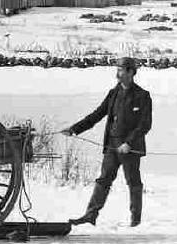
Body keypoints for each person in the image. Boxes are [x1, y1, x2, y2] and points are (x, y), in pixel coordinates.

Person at [61, 57, 152, 227]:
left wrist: (129, 143)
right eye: (117, 70)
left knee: (133, 183)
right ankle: (90, 215)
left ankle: (135, 220)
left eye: (121, 70)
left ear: (131, 72)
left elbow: (145, 125)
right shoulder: (113, 93)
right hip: (112, 145)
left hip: (129, 149)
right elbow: (96, 115)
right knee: (103, 180)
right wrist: (74, 129)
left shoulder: (142, 96)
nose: (117, 74)